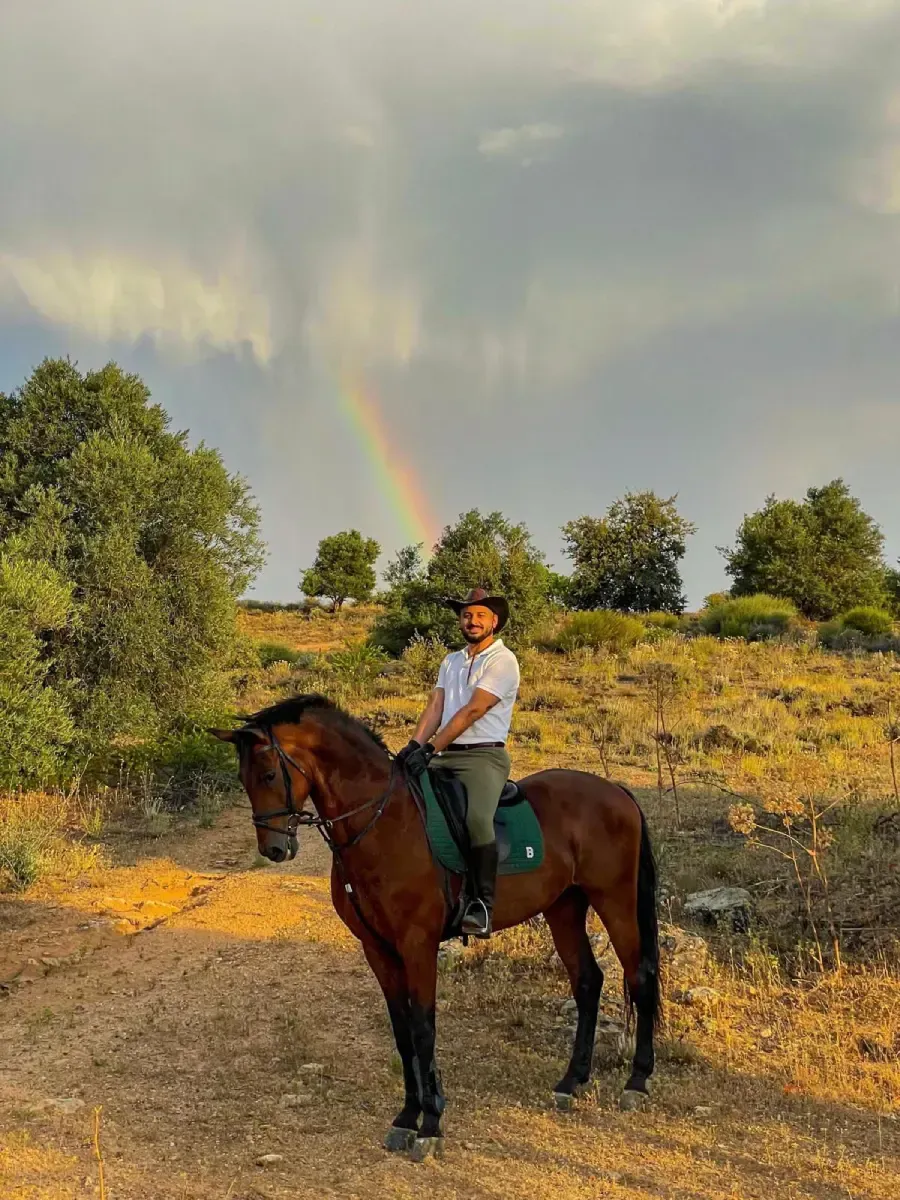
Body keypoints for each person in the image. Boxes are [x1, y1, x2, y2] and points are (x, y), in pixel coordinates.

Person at [397, 588, 520, 938]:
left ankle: (482, 904)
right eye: (467, 615)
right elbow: (436, 707)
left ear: (494, 621)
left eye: (480, 615)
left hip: (483, 757)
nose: (473, 621)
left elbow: (474, 709)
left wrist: (431, 748)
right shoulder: (450, 661)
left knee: (477, 819)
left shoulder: (502, 660)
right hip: (444, 754)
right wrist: (413, 746)